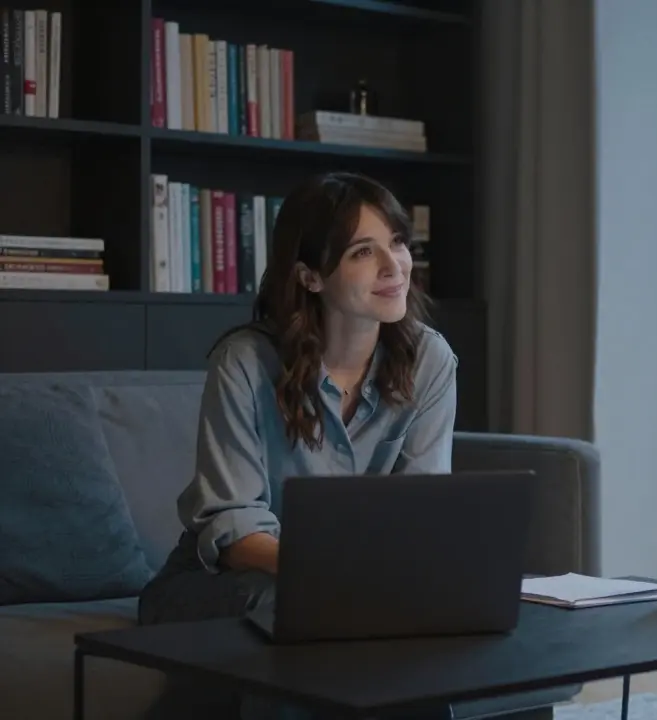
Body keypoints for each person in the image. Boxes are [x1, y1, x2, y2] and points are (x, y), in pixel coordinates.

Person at [137, 171, 458, 718]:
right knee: (297, 612)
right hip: (218, 582)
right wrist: (335, 579)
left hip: (355, 589)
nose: (394, 266)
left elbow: (421, 511)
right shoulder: (245, 363)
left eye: (398, 242)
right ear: (310, 275)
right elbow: (235, 529)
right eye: (363, 251)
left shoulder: (429, 360)